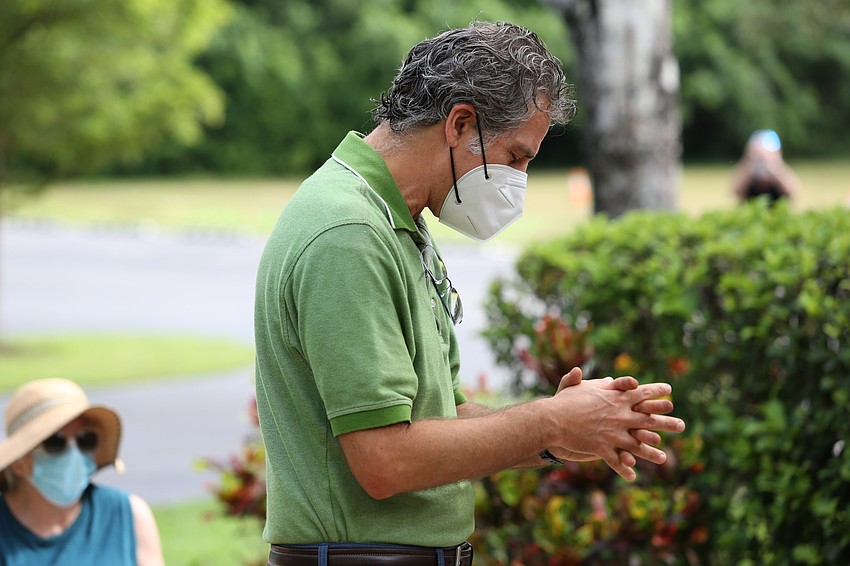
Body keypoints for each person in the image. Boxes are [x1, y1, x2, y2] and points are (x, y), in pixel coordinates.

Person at [254, 21, 685, 566]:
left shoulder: (396, 220)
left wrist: (561, 433)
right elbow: (384, 459)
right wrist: (548, 420)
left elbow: (442, 416)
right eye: (516, 157)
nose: (520, 183)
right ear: (460, 123)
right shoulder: (349, 233)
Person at [0, 378, 164, 566]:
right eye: (55, 442)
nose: (73, 454)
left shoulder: (130, 515)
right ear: (18, 462)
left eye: (85, 440)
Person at [732, 129, 800, 205]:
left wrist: (775, 166)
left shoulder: (779, 171)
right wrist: (750, 164)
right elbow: (736, 192)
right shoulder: (747, 170)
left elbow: (792, 191)